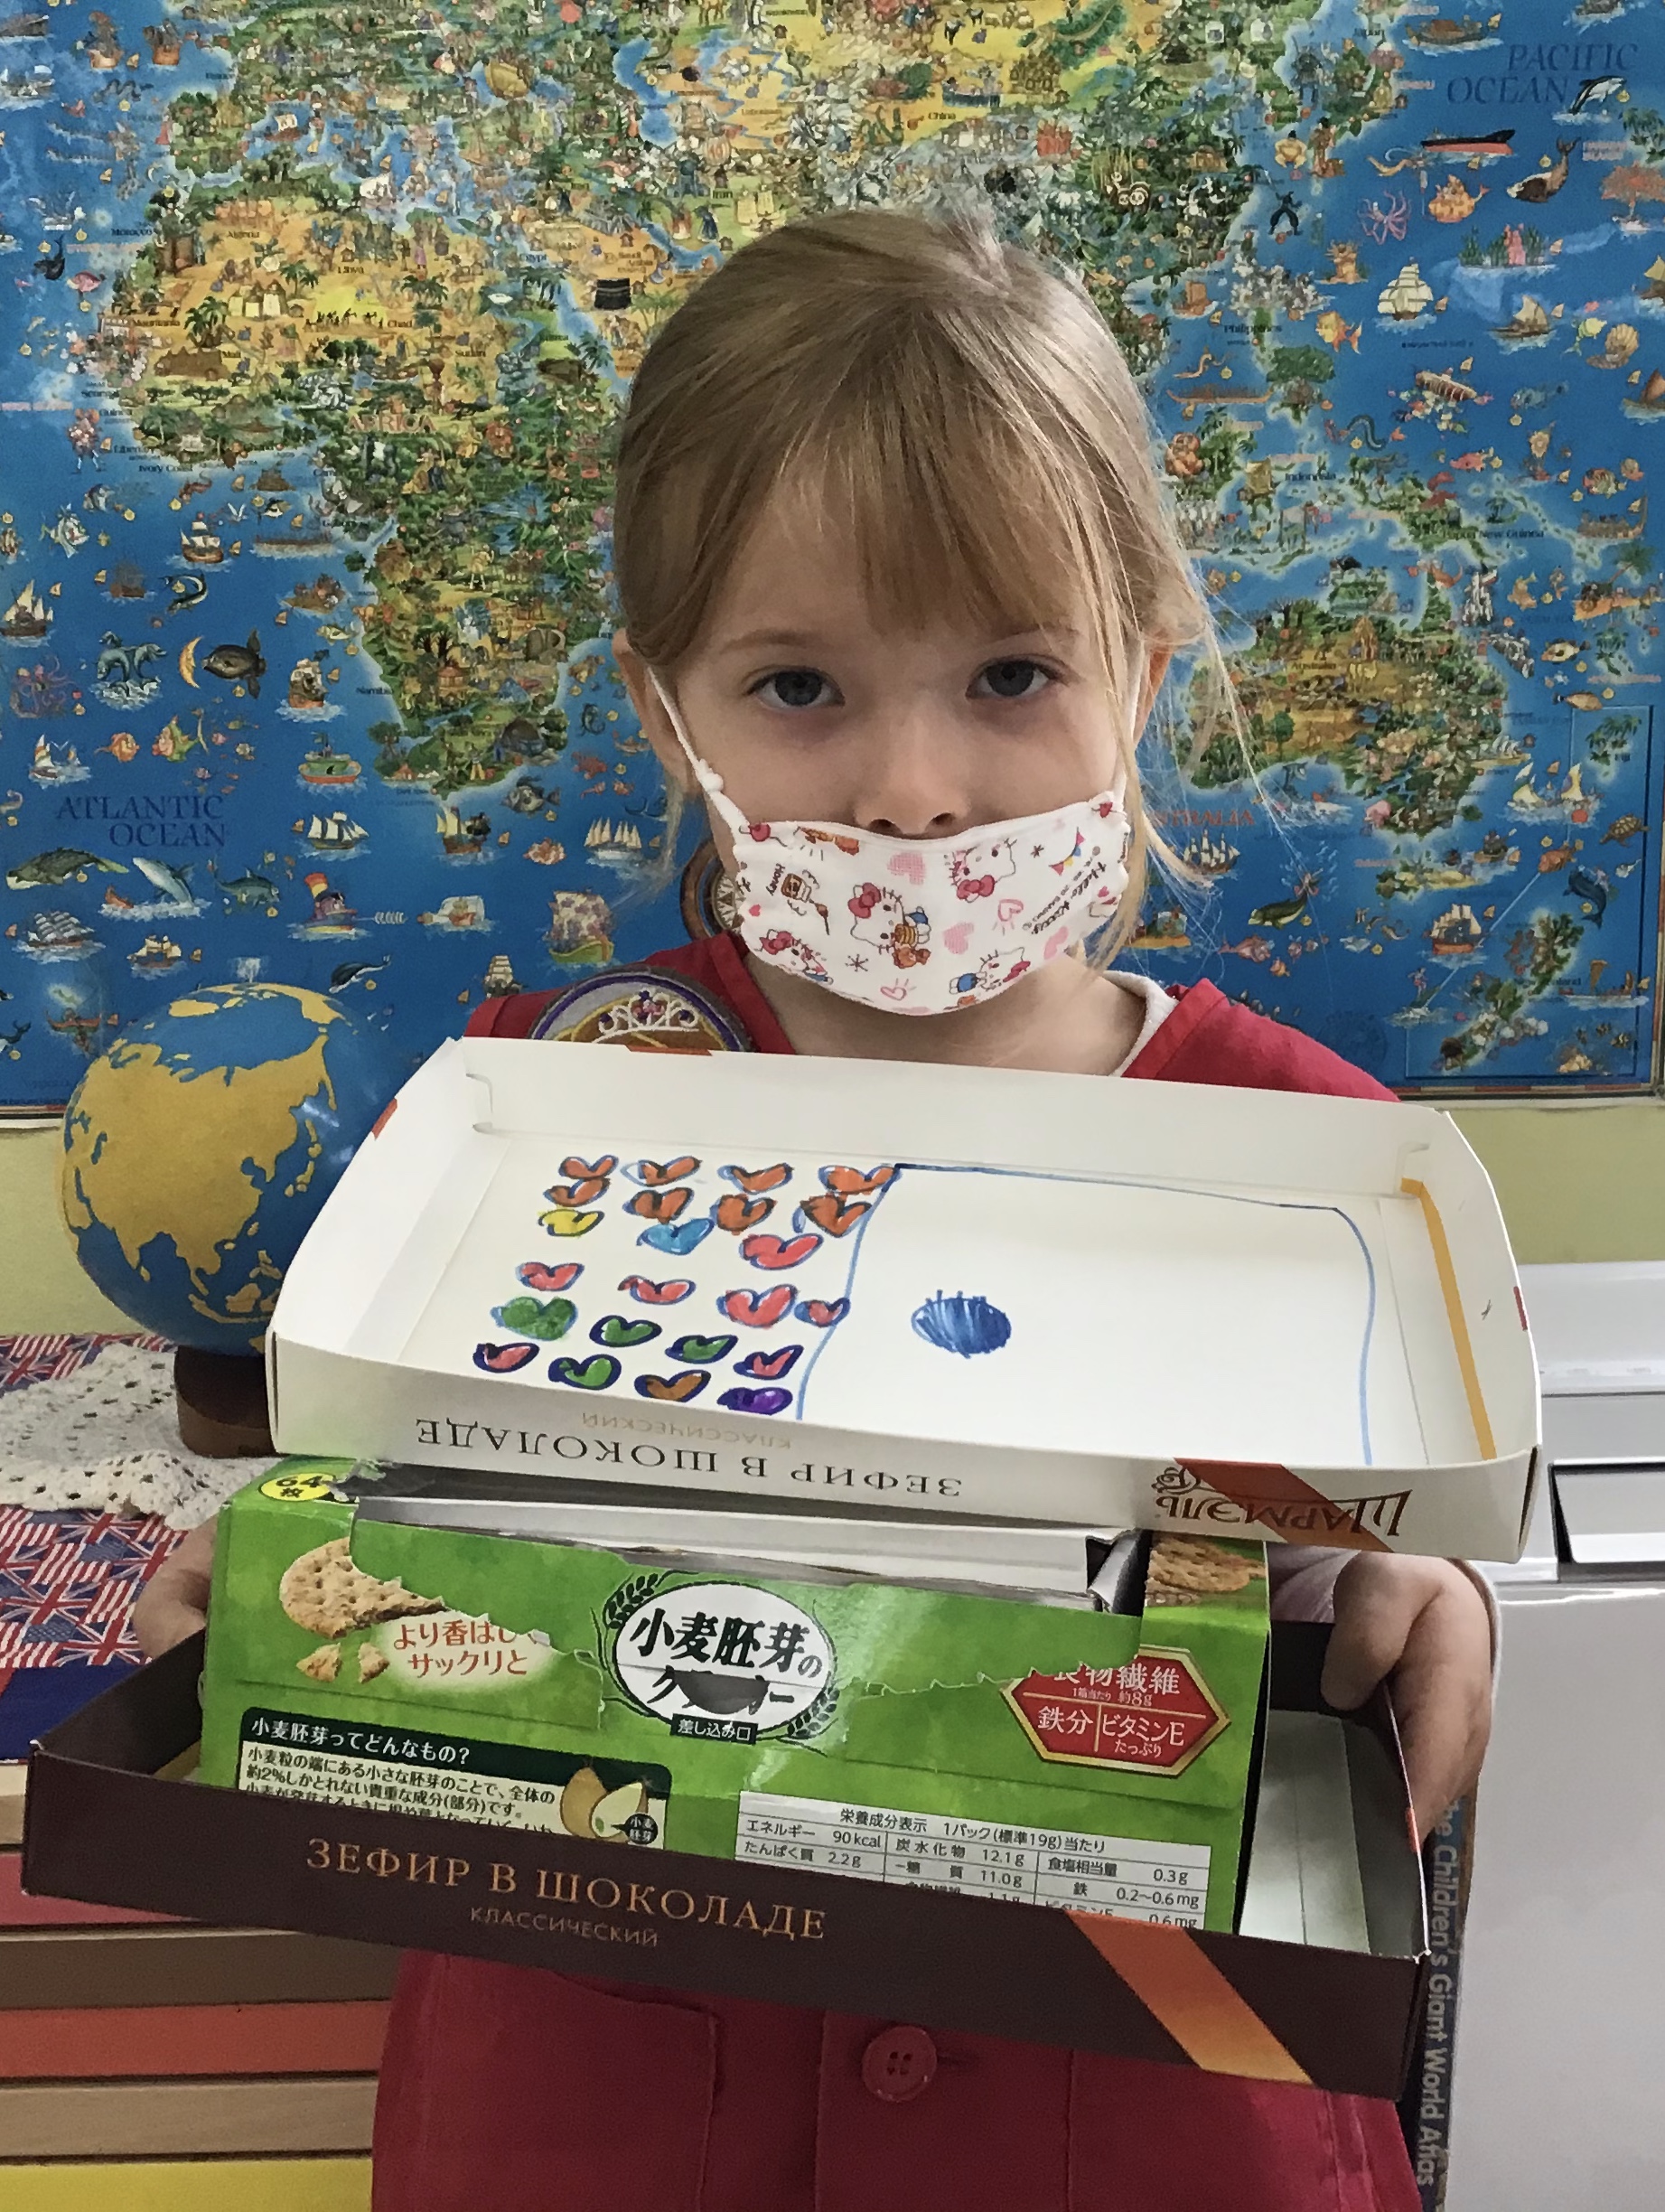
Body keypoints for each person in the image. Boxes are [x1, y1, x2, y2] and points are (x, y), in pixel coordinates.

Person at [138, 207, 1493, 2212]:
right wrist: (266, 1587)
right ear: (666, 707)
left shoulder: (1325, 1170)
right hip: (610, 2101)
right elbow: (394, 1508)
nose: (913, 790)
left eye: (1013, 673)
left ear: (1139, 674)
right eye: (797, 686)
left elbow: (1343, 1567)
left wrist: (1411, 1598)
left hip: (1141, 2109)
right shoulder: (529, 1113)